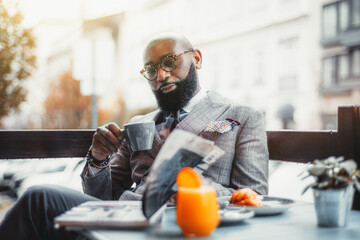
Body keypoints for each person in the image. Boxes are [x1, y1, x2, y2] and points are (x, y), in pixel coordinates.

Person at [0, 33, 269, 239]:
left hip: (185, 219)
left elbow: (254, 195)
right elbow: (104, 195)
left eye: (169, 62)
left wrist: (196, 191)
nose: (161, 75)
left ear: (196, 58)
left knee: (39, 198)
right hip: (125, 215)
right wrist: (98, 159)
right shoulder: (139, 123)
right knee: (39, 201)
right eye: (151, 70)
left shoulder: (242, 115)